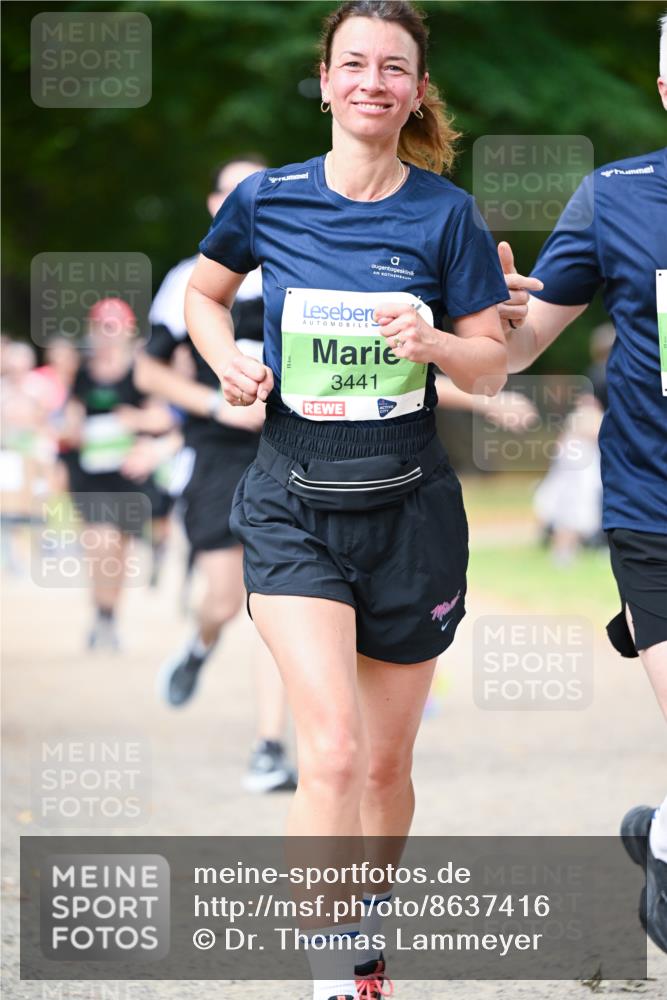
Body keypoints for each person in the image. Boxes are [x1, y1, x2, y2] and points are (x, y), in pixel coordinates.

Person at [185, 3, 508, 997]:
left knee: (380, 767)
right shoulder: (269, 199)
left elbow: (491, 368)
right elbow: (204, 294)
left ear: (415, 91)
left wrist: (435, 344)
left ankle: (366, 927)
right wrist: (225, 360)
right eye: (353, 63)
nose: (372, 80)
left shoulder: (445, 215)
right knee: (326, 747)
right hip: (288, 499)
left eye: (393, 67)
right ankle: (338, 973)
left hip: (409, 508)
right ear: (324, 81)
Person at [498, 10, 667, 954]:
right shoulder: (616, 197)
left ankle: (657, 840)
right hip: (655, 508)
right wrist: (484, 320)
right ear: (664, 91)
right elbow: (522, 345)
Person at [134, 157, 297, 794]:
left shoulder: (303, 268)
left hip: (295, 446)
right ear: (214, 204)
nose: (248, 200)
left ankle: (269, 745)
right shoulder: (186, 280)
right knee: (226, 601)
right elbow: (149, 375)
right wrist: (215, 404)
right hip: (218, 450)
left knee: (279, 599)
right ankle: (200, 644)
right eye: (234, 191)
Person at [64, 298, 173, 650]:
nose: (107, 337)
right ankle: (100, 613)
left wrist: (134, 420)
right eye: (101, 329)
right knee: (100, 544)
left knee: (118, 551)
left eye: (114, 329)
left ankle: (109, 617)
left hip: (129, 473)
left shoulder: (141, 372)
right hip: (90, 473)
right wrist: (74, 430)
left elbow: (164, 419)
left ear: (127, 333)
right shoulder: (83, 373)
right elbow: (71, 417)